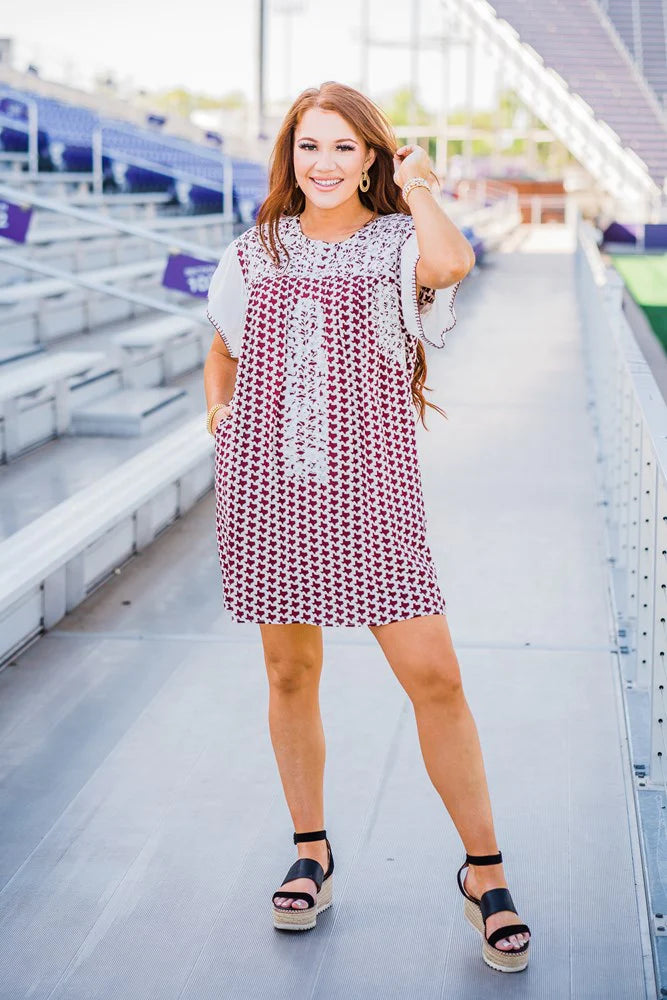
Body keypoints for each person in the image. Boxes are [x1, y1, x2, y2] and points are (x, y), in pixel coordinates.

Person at [203, 81, 531, 973]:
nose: (323, 164)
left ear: (373, 158)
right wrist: (224, 419)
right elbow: (221, 345)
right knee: (289, 669)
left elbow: (451, 264)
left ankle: (483, 871)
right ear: (289, 154)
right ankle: (311, 852)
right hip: (269, 495)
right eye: (309, 146)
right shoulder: (257, 247)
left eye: (345, 148)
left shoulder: (395, 242)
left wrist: (422, 185)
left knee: (434, 676)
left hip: (372, 500)